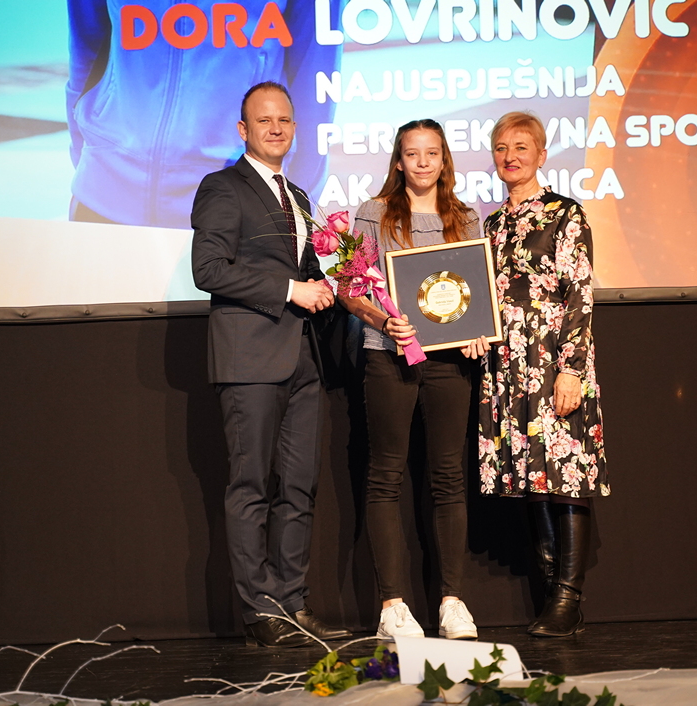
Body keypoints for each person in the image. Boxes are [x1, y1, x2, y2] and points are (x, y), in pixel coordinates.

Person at [191, 82, 350, 648]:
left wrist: (342, 281)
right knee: (251, 486)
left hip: (305, 357)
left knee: (300, 488)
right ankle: (260, 611)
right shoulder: (222, 187)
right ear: (243, 129)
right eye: (264, 120)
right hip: (250, 360)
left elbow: (309, 275)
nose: (276, 128)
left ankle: (292, 603)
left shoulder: (300, 197)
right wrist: (290, 290)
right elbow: (208, 269)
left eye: (284, 119)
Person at [340, 119, 487, 640]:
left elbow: (474, 293)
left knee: (449, 477)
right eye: (412, 153)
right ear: (398, 161)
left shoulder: (465, 218)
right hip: (387, 357)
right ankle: (393, 607)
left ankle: (452, 602)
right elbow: (349, 290)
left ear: (444, 160)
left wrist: (477, 331)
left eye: (432, 153)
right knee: (386, 475)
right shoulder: (373, 213)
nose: (422, 162)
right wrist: (384, 322)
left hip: (450, 363)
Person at [478, 112, 609, 638]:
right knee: (533, 477)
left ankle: (568, 598)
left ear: (541, 154)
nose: (510, 156)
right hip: (509, 365)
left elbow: (580, 293)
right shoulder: (491, 225)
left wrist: (570, 370)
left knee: (567, 475)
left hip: (554, 362)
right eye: (501, 148)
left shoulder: (566, 214)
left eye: (521, 147)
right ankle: (554, 593)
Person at [67, 0, 340, 228]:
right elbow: (86, 46)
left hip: (238, 204)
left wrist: (297, 210)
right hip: (104, 192)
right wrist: (93, 151)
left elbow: (315, 82)